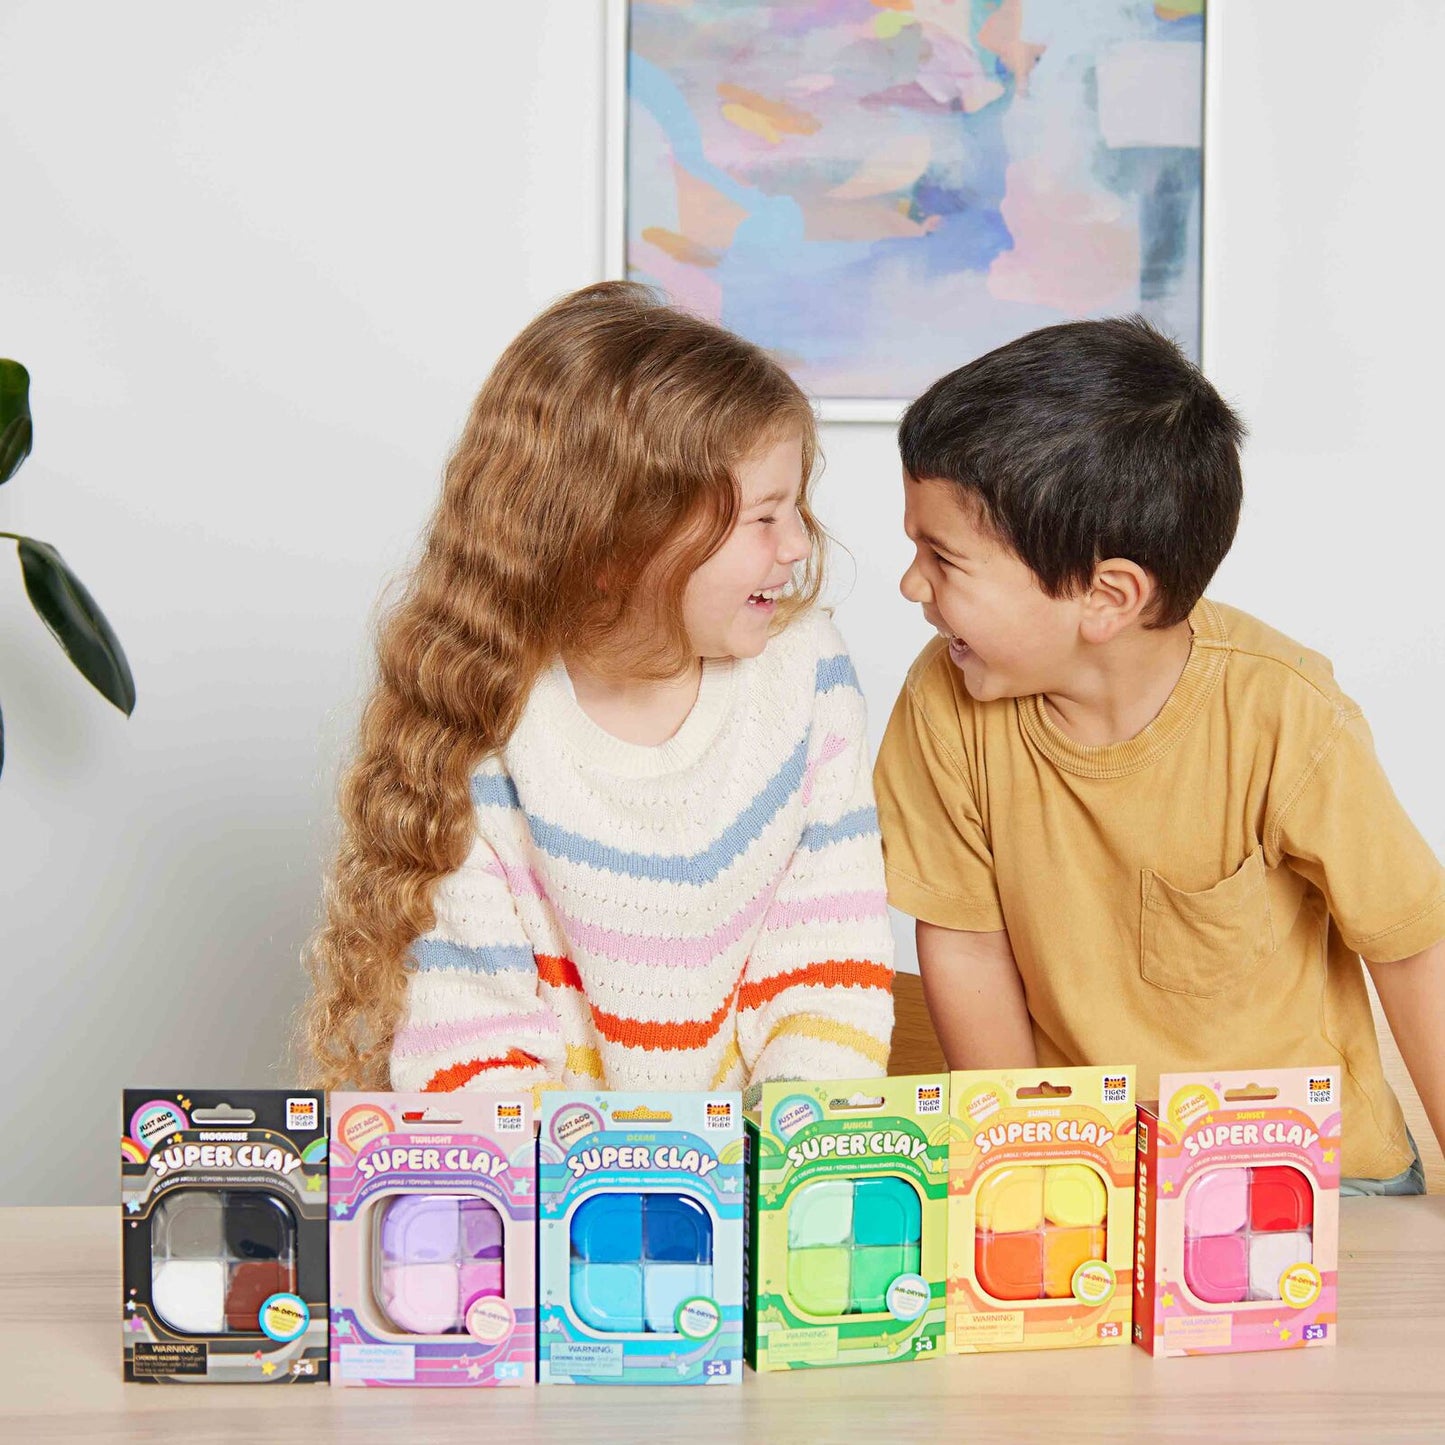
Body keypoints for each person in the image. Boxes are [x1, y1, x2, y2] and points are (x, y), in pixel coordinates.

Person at [873, 316, 1443, 1190]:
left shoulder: (1283, 711)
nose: (912, 583)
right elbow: (966, 947)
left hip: (1314, 1182)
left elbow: (1410, 949)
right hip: (1085, 1177)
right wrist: (1028, 1172)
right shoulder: (943, 703)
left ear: (1106, 596)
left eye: (942, 558)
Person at [304, 281, 894, 1098]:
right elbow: (472, 1038)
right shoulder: (483, 709)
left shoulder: (806, 674)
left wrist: (787, 1157)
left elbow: (826, 965)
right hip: (547, 1192)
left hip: (759, 1182)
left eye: (795, 507)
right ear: (617, 540)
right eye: (763, 517)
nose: (796, 544)